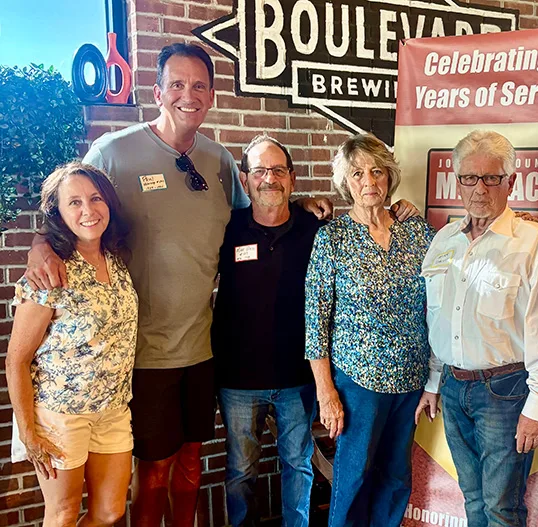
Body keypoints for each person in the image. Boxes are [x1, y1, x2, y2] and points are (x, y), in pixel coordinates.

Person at [21, 43, 339, 527]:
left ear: (211, 95)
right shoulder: (115, 152)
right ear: (157, 91)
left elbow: (259, 208)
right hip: (142, 355)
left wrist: (308, 203)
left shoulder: (218, 162)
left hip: (201, 351)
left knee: (190, 468)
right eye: (176, 84)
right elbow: (73, 201)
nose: (187, 95)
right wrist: (41, 244)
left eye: (198, 85)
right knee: (152, 474)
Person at [414, 130, 538, 526]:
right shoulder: (443, 241)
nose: (479, 188)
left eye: (491, 178)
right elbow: (439, 318)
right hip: (453, 389)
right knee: (472, 501)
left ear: (511, 182)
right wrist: (434, 383)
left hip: (506, 392)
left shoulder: (535, 243)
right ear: (457, 180)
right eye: (469, 177)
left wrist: (537, 408)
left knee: (502, 507)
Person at [305, 134, 434, 527]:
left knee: (396, 479)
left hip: (410, 380)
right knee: (354, 478)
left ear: (389, 177)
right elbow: (315, 322)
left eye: (377, 171)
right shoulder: (332, 239)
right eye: (357, 173)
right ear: (346, 182)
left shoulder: (418, 232)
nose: (368, 181)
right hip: (358, 383)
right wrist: (326, 393)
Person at [6, 163, 137, 526]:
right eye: (74, 202)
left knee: (111, 510)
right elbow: (16, 360)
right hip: (59, 415)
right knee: (62, 513)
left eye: (95, 199)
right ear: (59, 214)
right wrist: (29, 432)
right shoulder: (48, 272)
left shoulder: (117, 261)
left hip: (112, 410)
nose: (88, 210)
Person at [211, 134, 324, 526]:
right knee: (241, 471)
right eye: (259, 170)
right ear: (245, 180)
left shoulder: (314, 229)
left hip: (298, 376)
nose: (269, 178)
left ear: (292, 179)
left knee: (299, 465)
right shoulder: (226, 229)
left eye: (278, 170)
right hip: (238, 380)